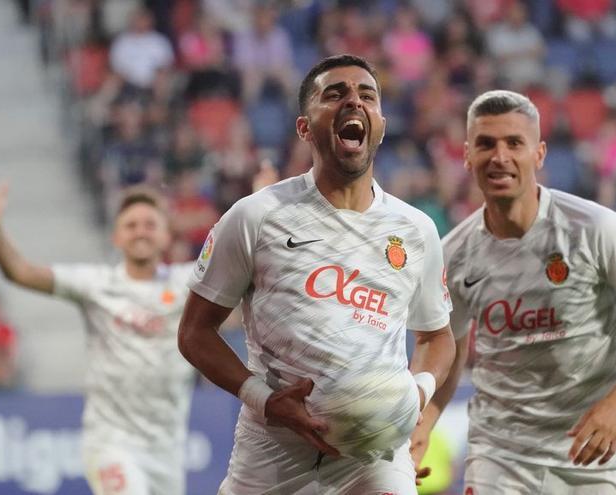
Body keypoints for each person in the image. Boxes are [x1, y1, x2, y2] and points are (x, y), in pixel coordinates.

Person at [177, 54, 455, 494]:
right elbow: (194, 332)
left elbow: (438, 337)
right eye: (335, 94)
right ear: (305, 127)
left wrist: (414, 396)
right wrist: (264, 400)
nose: (354, 102)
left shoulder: (416, 231)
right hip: (273, 453)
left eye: (367, 95)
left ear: (380, 124)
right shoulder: (257, 217)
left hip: (374, 455)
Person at [411, 90, 616, 494]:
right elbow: (444, 349)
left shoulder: (595, 229)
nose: (500, 156)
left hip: (590, 457)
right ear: (468, 156)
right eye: (486, 144)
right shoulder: (452, 255)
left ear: (539, 155)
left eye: (514, 143)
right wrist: (423, 424)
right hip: (500, 455)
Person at [0, 180, 196, 495]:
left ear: (166, 235)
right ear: (117, 236)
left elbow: (244, 264)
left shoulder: (188, 283)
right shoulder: (96, 284)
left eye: (150, 224)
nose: (141, 231)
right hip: (112, 444)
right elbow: (21, 272)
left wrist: (267, 209)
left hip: (168, 449)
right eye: (131, 225)